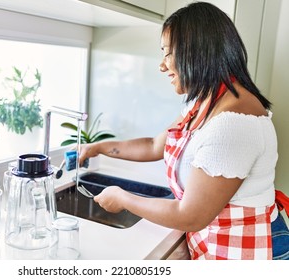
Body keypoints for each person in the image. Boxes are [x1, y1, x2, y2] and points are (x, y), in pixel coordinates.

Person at [79, 2, 289, 260]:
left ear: (196, 51)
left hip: (255, 251)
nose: (162, 65)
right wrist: (97, 147)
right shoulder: (203, 102)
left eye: (167, 53)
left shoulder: (234, 123)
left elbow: (190, 215)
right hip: (218, 244)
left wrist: (123, 198)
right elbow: (155, 146)